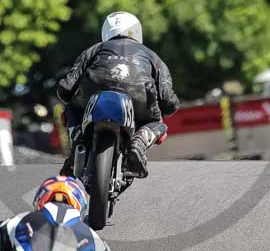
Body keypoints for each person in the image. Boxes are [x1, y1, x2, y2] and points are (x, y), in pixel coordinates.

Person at [58, 11, 179, 179]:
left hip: (93, 93)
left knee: (71, 108)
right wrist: (166, 108)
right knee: (157, 123)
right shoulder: (153, 56)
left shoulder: (95, 49)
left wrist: (69, 98)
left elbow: (66, 87)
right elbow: (168, 100)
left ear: (106, 31)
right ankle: (139, 143)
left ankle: (79, 144)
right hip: (140, 100)